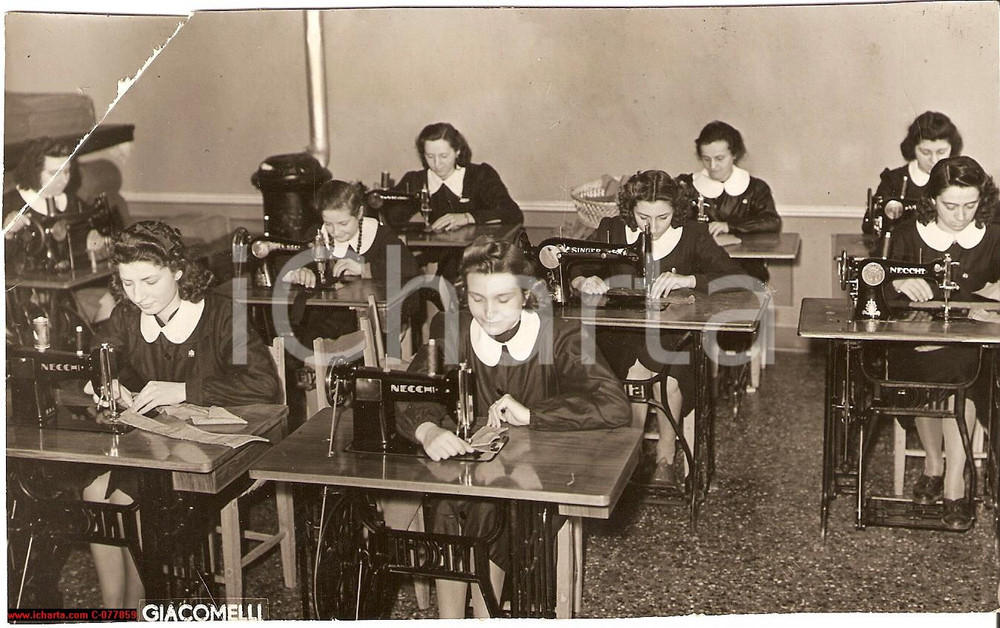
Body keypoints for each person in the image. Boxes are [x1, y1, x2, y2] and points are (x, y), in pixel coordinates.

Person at [396, 236, 631, 618]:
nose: (488, 313)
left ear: (525, 294)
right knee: (448, 501)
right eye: (477, 299)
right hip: (471, 477)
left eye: (502, 299)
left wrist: (536, 415)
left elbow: (615, 404)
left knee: (486, 507)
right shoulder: (453, 330)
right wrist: (427, 430)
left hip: (540, 483)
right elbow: (409, 390)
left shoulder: (562, 335)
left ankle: (484, 618)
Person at [85, 220, 282, 608]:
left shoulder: (222, 315)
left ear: (177, 270)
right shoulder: (127, 316)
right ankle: (114, 607)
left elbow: (263, 385)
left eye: (149, 281)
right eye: (127, 283)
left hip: (221, 450)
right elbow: (100, 357)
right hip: (158, 447)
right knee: (93, 493)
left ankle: (135, 607)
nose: (138, 295)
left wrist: (184, 391)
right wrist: (108, 382)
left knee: (126, 499)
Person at [572, 170, 747, 484]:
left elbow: (738, 279)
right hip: (620, 333)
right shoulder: (612, 230)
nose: (651, 227)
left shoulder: (692, 234)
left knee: (666, 377)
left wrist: (689, 280)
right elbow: (575, 265)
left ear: (675, 211)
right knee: (632, 370)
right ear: (631, 210)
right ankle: (630, 453)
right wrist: (584, 280)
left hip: (674, 333)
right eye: (643, 217)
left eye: (662, 217)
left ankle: (665, 450)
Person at [884, 155, 1000, 529]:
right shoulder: (907, 234)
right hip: (914, 342)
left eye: (971, 205)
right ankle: (934, 463)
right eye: (950, 206)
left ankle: (954, 481)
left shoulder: (993, 237)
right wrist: (899, 282)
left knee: (963, 371)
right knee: (926, 368)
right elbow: (879, 282)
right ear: (932, 199)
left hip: (973, 347)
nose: (961, 216)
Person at [281, 179, 421, 347]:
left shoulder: (379, 235)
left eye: (343, 223)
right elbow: (299, 262)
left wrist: (364, 269)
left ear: (359, 213)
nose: (336, 231)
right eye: (328, 224)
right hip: (325, 316)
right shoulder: (317, 235)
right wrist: (302, 272)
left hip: (366, 317)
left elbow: (409, 266)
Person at [677, 121, 780, 281]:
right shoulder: (687, 186)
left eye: (719, 158)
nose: (713, 166)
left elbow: (771, 221)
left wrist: (729, 226)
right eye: (706, 159)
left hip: (746, 270)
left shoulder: (755, 188)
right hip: (700, 273)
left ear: (734, 154)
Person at [386, 122, 522, 231]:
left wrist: (467, 217)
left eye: (443, 156)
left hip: (475, 252)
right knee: (392, 251)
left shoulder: (480, 175)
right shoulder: (414, 180)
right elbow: (390, 220)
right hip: (432, 251)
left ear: (457, 151)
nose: (437, 164)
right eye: (430, 156)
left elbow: (513, 213)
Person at [863, 111, 963, 235]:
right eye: (925, 152)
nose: (934, 160)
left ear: (952, 148)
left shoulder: (961, 179)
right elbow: (870, 226)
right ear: (912, 148)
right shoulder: (893, 180)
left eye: (941, 152)